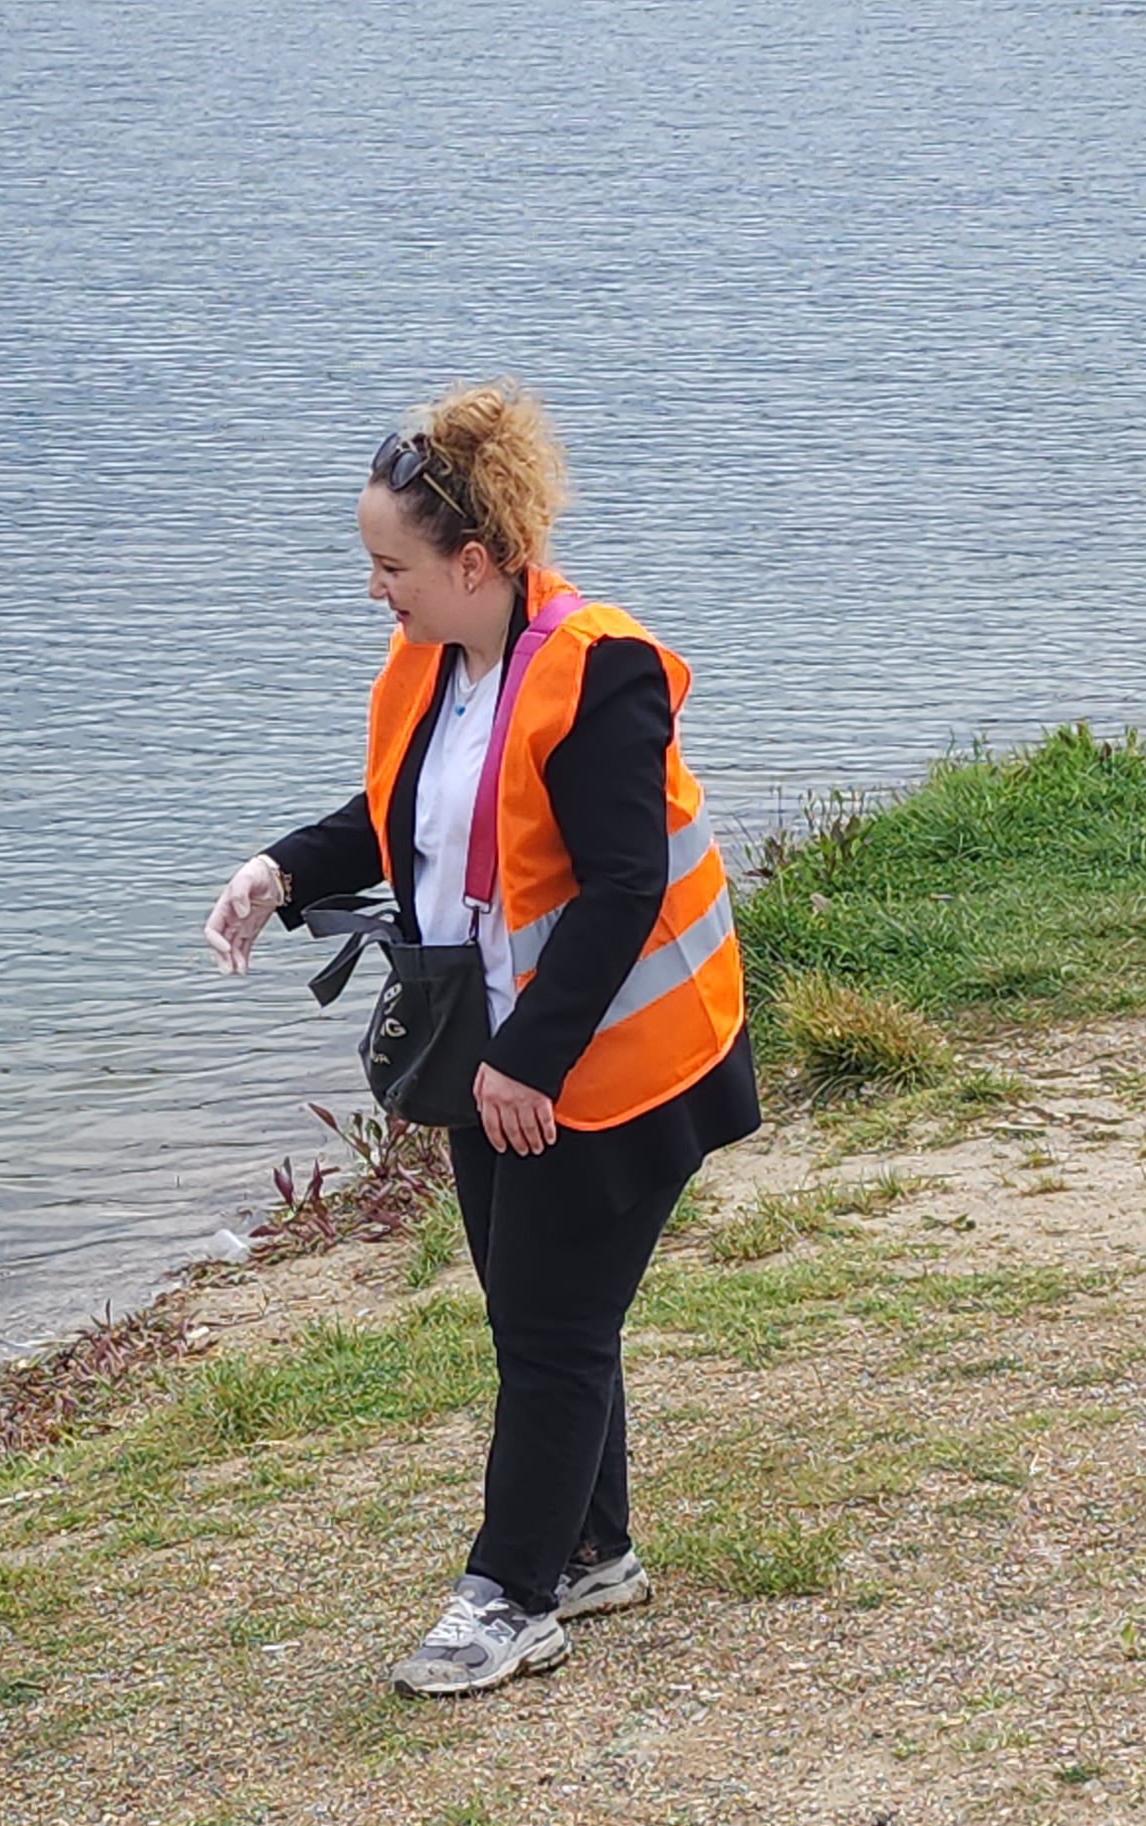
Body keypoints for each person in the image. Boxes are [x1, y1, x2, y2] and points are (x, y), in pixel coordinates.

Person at [203, 381, 759, 1697]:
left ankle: (509, 1597)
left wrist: (531, 1065)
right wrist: (279, 871)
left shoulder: (600, 672)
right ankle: (595, 1552)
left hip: (617, 1068)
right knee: (537, 1310)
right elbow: (399, 811)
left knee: (553, 1330)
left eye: (391, 567)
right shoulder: (435, 664)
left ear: (473, 562)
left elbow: (624, 890)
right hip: (501, 1058)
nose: (376, 592)